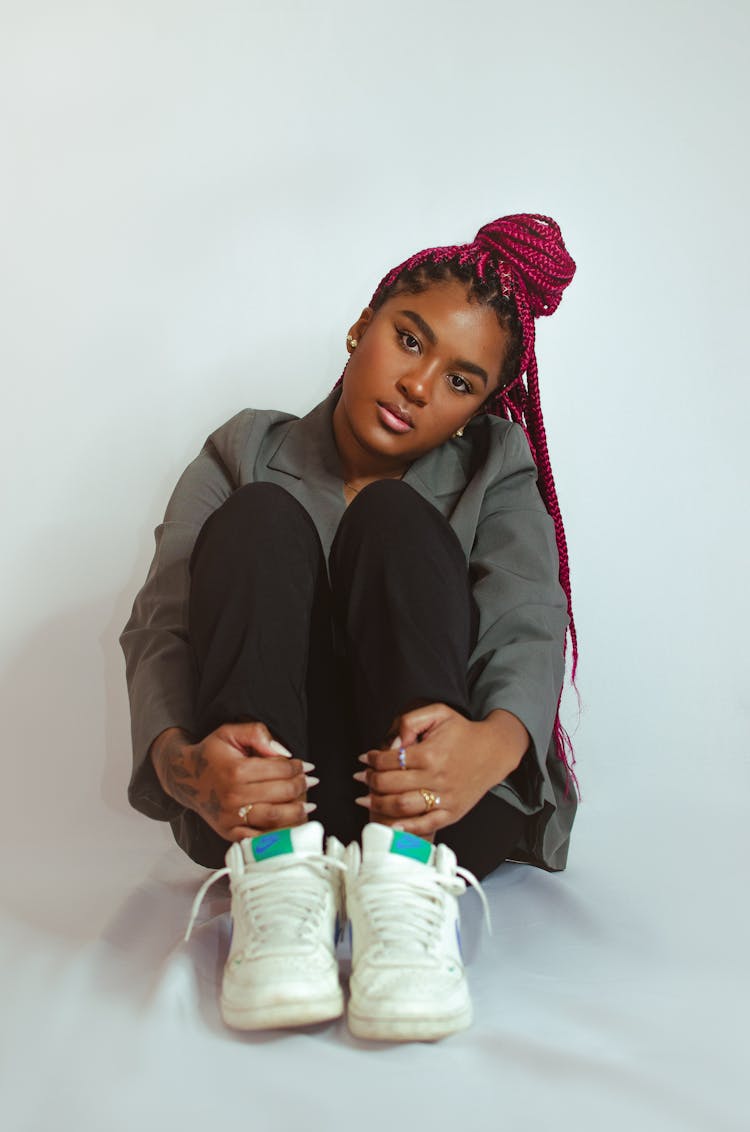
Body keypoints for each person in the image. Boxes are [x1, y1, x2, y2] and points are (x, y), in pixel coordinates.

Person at [120, 212, 579, 1042]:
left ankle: (404, 901)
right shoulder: (243, 450)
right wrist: (185, 766)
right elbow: (162, 627)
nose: (419, 385)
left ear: (478, 410)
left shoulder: (493, 468)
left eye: (460, 381)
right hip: (269, 795)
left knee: (395, 518)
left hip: (437, 796)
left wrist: (497, 744)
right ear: (361, 325)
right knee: (261, 517)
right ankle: (278, 888)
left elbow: (528, 619)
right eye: (409, 340)